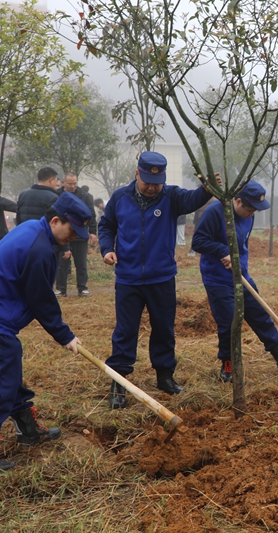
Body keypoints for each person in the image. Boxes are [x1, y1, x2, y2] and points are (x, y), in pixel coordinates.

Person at [0, 192, 91, 471]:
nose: (73, 237)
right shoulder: (39, 249)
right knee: (1, 386)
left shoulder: (32, 228)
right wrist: (64, 335)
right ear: (55, 221)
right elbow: (41, 299)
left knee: (8, 373)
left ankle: (27, 430)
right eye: (71, 231)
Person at [98, 151, 214, 409]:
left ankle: (165, 376)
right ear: (137, 174)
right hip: (128, 279)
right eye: (148, 182)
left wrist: (207, 189)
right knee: (125, 331)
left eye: (157, 183)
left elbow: (193, 199)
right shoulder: (120, 198)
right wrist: (107, 249)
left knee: (163, 329)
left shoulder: (171, 197)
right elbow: (106, 225)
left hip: (161, 278)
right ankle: (119, 381)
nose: (152, 188)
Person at [192, 180, 278, 382]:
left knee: (260, 314)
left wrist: (241, 266)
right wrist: (222, 251)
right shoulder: (214, 212)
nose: (252, 214)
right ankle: (228, 364)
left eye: (255, 210)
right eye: (250, 209)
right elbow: (198, 241)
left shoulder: (249, 217)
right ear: (237, 201)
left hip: (242, 276)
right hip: (218, 279)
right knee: (229, 324)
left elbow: (242, 244)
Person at [55, 173, 98, 297]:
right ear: (63, 182)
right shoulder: (56, 195)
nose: (73, 186)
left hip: (80, 234)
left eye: (75, 183)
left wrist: (92, 232)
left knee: (81, 263)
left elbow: (92, 215)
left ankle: (82, 288)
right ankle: (61, 289)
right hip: (62, 235)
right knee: (62, 264)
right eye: (70, 184)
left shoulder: (85, 196)